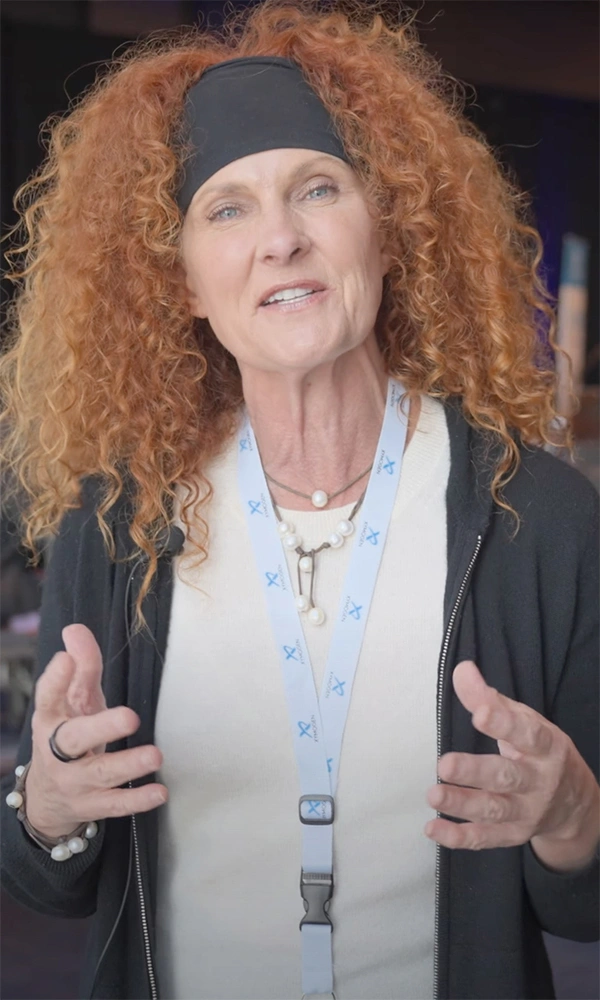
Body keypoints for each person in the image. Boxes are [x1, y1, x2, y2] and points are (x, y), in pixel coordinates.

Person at [1, 2, 598, 999]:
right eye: (227, 209)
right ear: (183, 283)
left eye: (317, 188)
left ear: (388, 230)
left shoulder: (538, 517)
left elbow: (586, 905)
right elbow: (46, 879)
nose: (279, 238)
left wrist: (574, 814)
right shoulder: (118, 524)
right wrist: (48, 806)